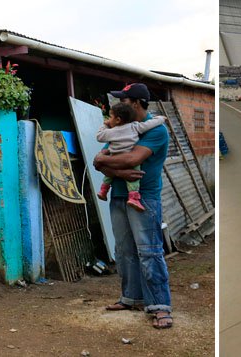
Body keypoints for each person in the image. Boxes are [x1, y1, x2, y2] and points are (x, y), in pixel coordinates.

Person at [92, 83, 173, 329]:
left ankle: (160, 306)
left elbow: (132, 158)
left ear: (136, 103)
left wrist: (109, 163)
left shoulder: (155, 131)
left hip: (144, 197)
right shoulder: (121, 128)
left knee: (149, 251)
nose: (118, 106)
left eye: (123, 101)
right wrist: (110, 167)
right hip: (118, 195)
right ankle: (131, 298)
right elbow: (99, 160)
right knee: (124, 250)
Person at [95, 102, 165, 211]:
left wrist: (105, 125)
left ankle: (103, 191)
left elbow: (99, 137)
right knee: (134, 178)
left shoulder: (111, 132)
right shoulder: (135, 127)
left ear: (118, 120)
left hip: (113, 159)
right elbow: (149, 124)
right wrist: (160, 119)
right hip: (126, 158)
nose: (109, 119)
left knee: (108, 177)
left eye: (110, 117)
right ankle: (133, 198)